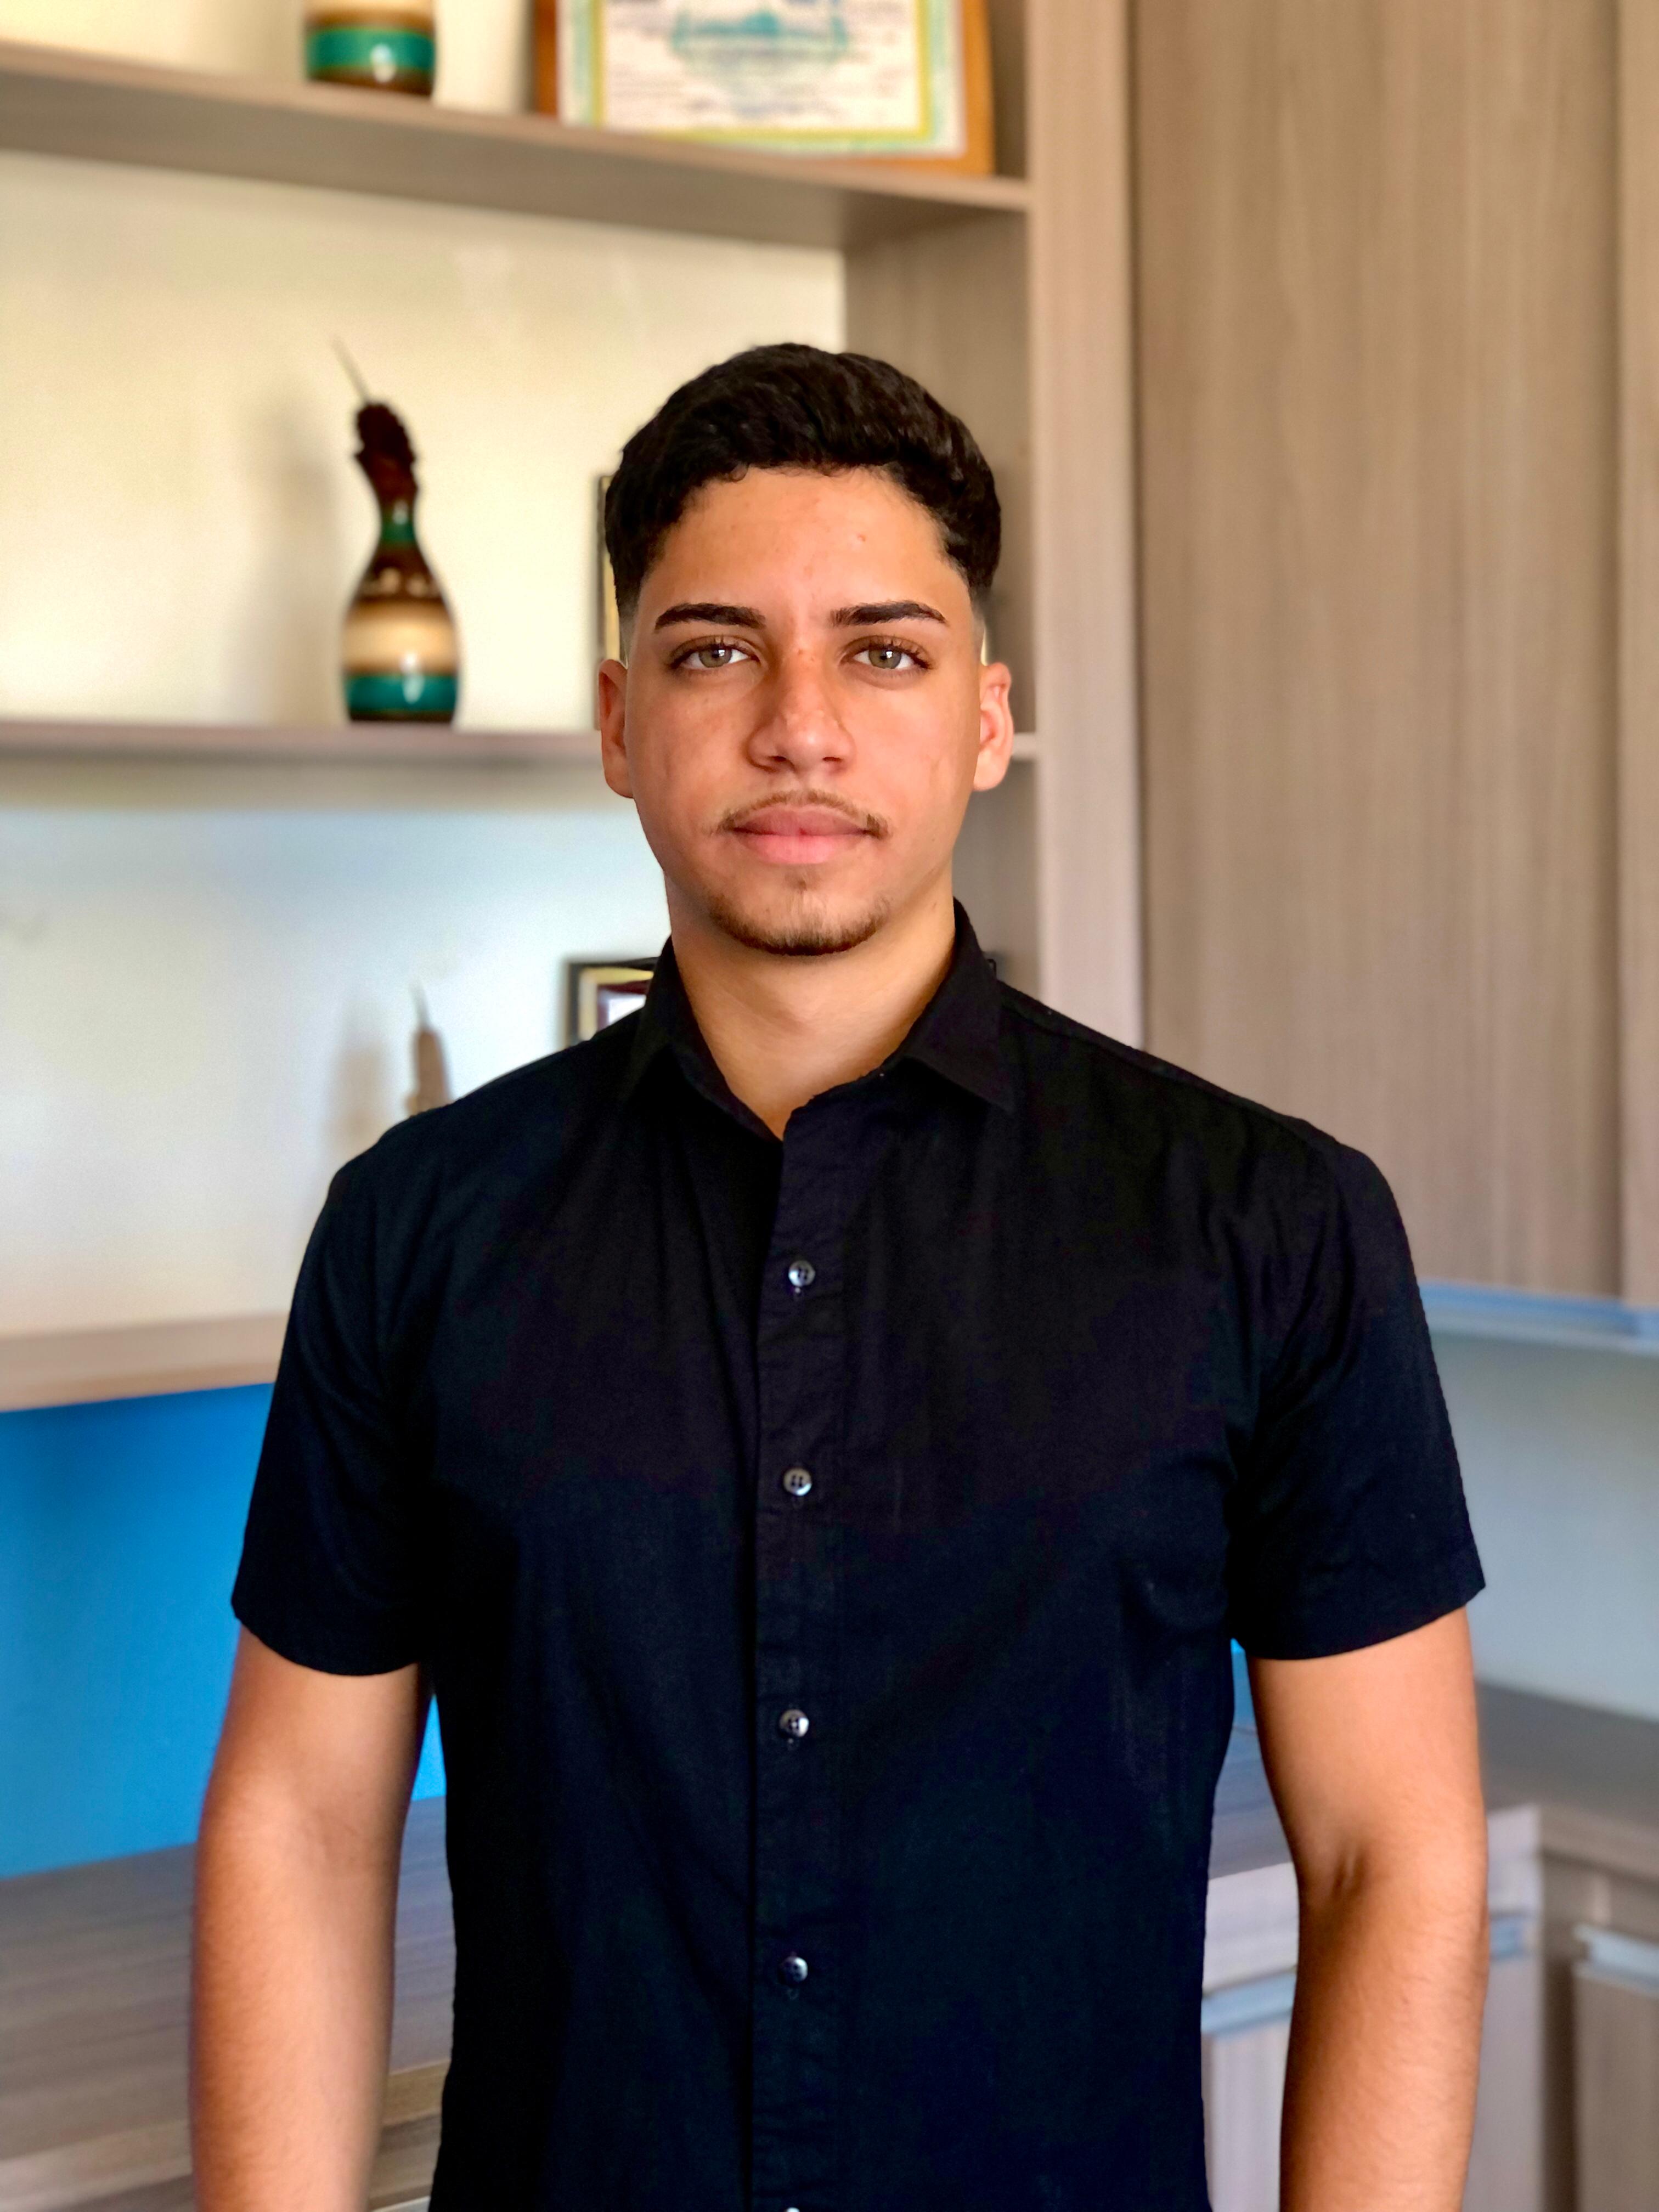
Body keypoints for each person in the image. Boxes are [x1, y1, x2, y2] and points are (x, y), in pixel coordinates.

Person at [193, 344, 1490, 2212]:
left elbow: (1393, 1858)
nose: (800, 725)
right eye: (717, 650)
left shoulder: (1269, 1225)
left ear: (986, 719)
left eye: (884, 651)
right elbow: (304, 1827)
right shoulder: (417, 1231)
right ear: (619, 721)